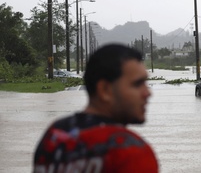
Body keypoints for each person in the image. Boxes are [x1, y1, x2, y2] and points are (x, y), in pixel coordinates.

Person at [33, 44, 158, 172]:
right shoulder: (130, 151)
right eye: (137, 84)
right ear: (105, 90)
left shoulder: (54, 136)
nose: (147, 93)